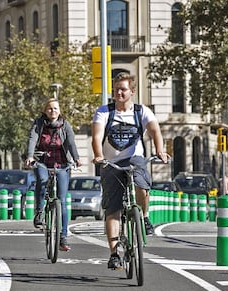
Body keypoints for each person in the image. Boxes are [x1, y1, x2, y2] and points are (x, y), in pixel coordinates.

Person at [91, 72, 169, 270]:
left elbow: (154, 131)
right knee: (113, 209)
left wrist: (160, 150)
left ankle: (143, 217)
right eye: (116, 89)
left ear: (132, 91)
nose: (119, 93)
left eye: (123, 89)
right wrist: (99, 156)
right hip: (111, 163)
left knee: (142, 187)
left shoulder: (141, 111)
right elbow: (97, 136)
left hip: (135, 159)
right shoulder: (104, 112)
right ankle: (114, 253)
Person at [25, 97, 82, 252]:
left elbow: (70, 142)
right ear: (45, 110)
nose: (53, 111)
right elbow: (32, 139)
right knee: (42, 180)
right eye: (50, 108)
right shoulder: (39, 124)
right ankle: (39, 213)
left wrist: (76, 158)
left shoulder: (65, 125)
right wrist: (30, 156)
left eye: (55, 108)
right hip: (42, 161)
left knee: (62, 200)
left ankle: (63, 237)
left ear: (59, 110)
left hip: (62, 163)